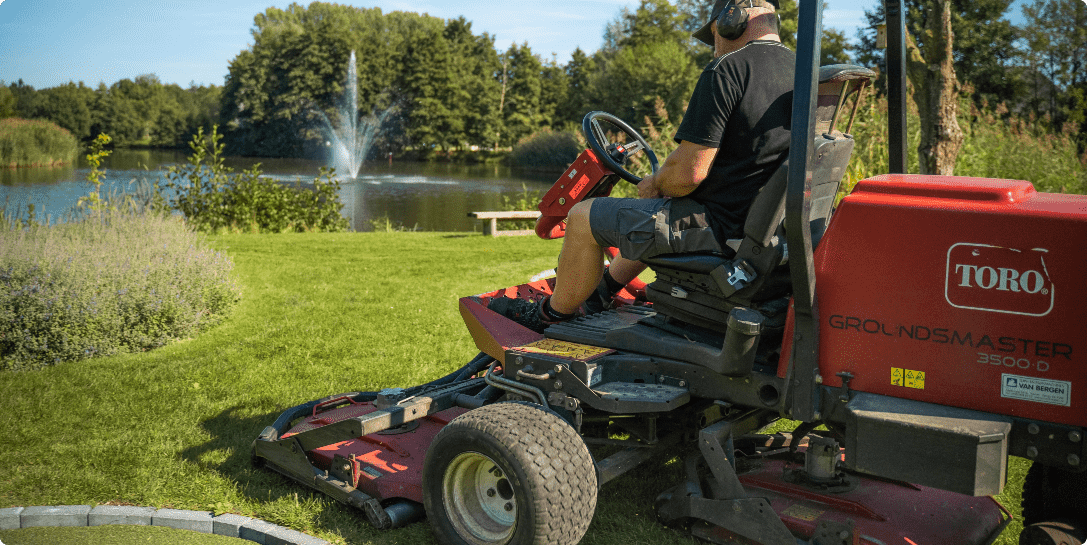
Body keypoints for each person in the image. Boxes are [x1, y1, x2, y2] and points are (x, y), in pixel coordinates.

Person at [490, 0, 794, 333]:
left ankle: (552, 315)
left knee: (582, 217)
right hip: (765, 232)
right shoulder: (802, 73)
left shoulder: (728, 69)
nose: (715, 48)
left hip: (720, 230)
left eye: (714, 35)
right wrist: (664, 188)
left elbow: (688, 174)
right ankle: (601, 291)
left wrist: (658, 183)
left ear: (731, 18)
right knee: (657, 213)